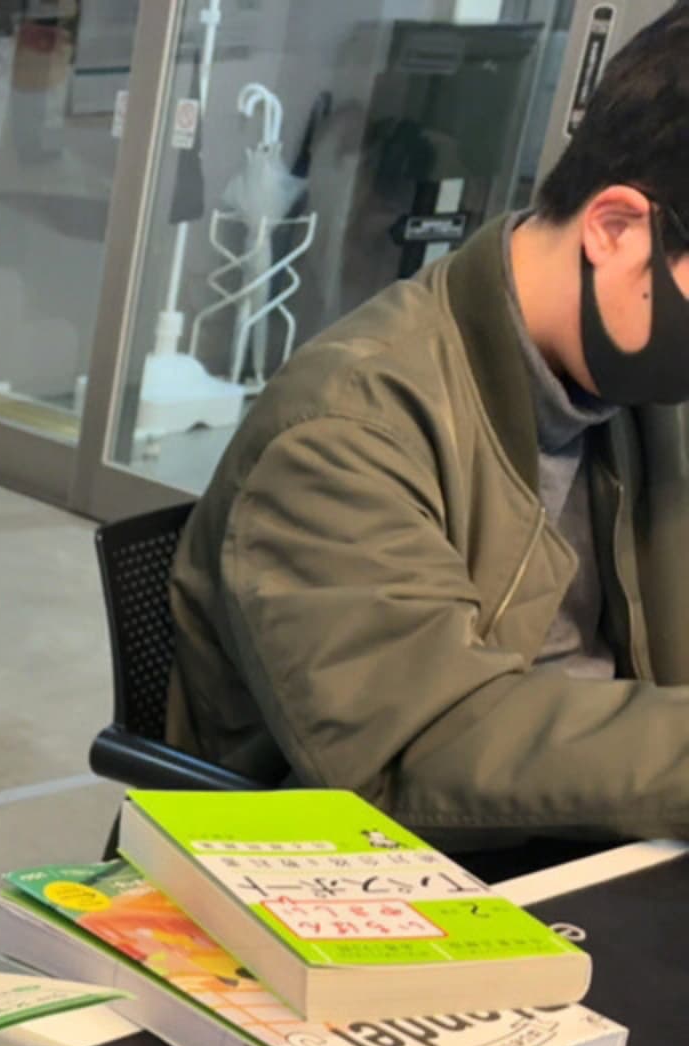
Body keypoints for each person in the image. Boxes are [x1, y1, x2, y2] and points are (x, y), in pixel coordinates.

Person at [167, 11, 689, 853]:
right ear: (617, 229)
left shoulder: (634, 386)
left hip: (600, 835)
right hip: (392, 867)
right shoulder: (345, 429)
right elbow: (419, 750)